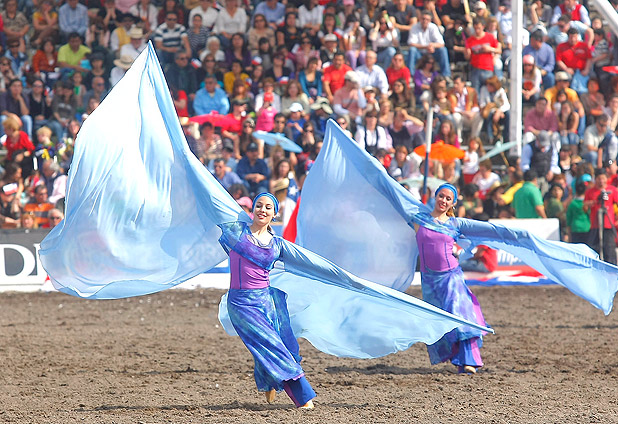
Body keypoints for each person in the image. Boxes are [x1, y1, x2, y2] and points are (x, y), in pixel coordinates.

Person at [218, 193, 316, 408]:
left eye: (268, 207)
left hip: (266, 302)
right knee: (271, 345)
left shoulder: (277, 244)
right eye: (259, 205)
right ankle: (303, 397)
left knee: (271, 342)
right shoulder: (236, 233)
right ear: (252, 210)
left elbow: (310, 263)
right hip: (241, 305)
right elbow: (213, 203)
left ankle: (269, 381)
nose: (263, 210)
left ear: (274, 214)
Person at [413, 184, 489, 374]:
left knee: (461, 315)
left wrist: (464, 254)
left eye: (448, 199)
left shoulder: (455, 224)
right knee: (442, 319)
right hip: (429, 281)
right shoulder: (418, 219)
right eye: (441, 196)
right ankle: (458, 358)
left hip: (451, 276)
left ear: (453, 203)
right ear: (435, 197)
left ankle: (470, 360)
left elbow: (479, 235)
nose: (443, 201)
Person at [584, 167, 618, 264]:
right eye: (599, 178)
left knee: (609, 249)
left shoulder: (612, 190)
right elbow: (585, 207)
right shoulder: (590, 192)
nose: (601, 181)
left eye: (603, 178)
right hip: (595, 224)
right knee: (595, 248)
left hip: (608, 224)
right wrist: (594, 202)